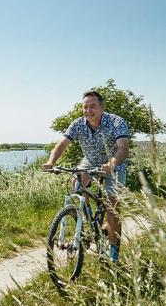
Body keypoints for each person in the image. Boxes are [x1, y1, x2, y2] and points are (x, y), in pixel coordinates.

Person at [42, 90, 130, 263]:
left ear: (102, 107)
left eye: (92, 106)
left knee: (112, 207)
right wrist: (51, 161)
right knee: (76, 182)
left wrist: (111, 164)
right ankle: (86, 220)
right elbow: (62, 144)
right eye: (85, 107)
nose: (88, 110)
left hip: (114, 163)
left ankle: (113, 256)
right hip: (89, 161)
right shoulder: (78, 124)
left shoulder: (116, 122)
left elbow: (123, 148)